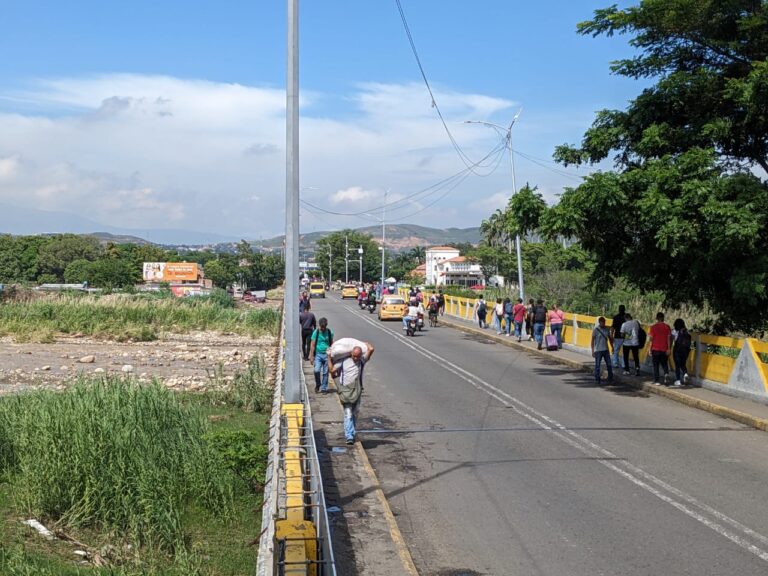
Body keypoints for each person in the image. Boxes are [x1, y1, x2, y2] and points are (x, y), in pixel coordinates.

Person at [330, 343, 374, 445]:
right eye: (354, 356)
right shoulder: (344, 361)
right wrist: (328, 357)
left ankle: (352, 432)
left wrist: (363, 344)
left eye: (357, 356)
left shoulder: (361, 361)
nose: (355, 358)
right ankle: (349, 435)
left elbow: (371, 349)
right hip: (346, 392)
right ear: (350, 354)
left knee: (355, 413)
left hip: (357, 391)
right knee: (348, 414)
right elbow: (332, 370)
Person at [309, 317, 334, 393]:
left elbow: (332, 343)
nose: (323, 329)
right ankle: (318, 383)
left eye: (324, 327)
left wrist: (332, 355)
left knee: (325, 372)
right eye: (322, 327)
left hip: (327, 355)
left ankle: (324, 388)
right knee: (316, 370)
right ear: (319, 325)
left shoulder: (329, 332)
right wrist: (311, 356)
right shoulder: (315, 333)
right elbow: (312, 345)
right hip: (318, 355)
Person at [648, 312, 673, 385]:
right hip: (664, 349)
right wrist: (669, 348)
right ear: (663, 318)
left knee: (656, 365)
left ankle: (657, 381)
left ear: (657, 318)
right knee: (664, 364)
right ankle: (666, 374)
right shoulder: (667, 327)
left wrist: (649, 349)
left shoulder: (653, 327)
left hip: (655, 349)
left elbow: (651, 339)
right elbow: (669, 338)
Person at [591, 316, 614, 385]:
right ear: (599, 322)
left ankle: (610, 378)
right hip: (598, 350)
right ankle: (597, 378)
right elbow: (592, 341)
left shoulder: (607, 329)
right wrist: (592, 351)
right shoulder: (595, 330)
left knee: (609, 365)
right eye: (602, 322)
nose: (603, 324)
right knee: (597, 365)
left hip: (606, 350)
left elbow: (610, 339)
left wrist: (612, 347)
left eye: (604, 322)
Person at [672, 318, 692, 387]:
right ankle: (685, 374)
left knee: (677, 365)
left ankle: (678, 380)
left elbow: (672, 339)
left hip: (677, 350)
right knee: (683, 364)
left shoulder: (675, 331)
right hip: (686, 351)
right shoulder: (687, 331)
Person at [611, 305, 627, 369]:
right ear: (624, 309)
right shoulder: (626, 317)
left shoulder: (615, 317)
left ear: (619, 309)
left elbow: (613, 327)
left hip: (617, 336)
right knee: (624, 352)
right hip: (625, 337)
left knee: (616, 351)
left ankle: (615, 364)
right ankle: (624, 365)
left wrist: (611, 335)